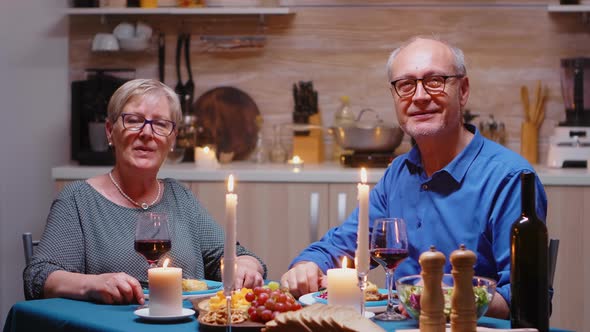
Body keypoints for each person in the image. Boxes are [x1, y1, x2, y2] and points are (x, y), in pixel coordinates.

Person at [280, 36, 547, 319]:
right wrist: (308, 265)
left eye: (435, 80)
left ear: (463, 90)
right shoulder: (398, 173)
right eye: (406, 85)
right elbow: (342, 245)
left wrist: (439, 294)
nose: (419, 97)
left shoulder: (510, 179)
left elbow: (522, 302)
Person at [24, 79, 266, 304]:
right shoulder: (78, 199)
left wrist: (246, 266)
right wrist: (92, 284)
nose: (147, 133)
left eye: (161, 124)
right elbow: (39, 276)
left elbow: (234, 256)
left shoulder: (179, 197)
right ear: (110, 131)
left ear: (172, 140)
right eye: (133, 120)